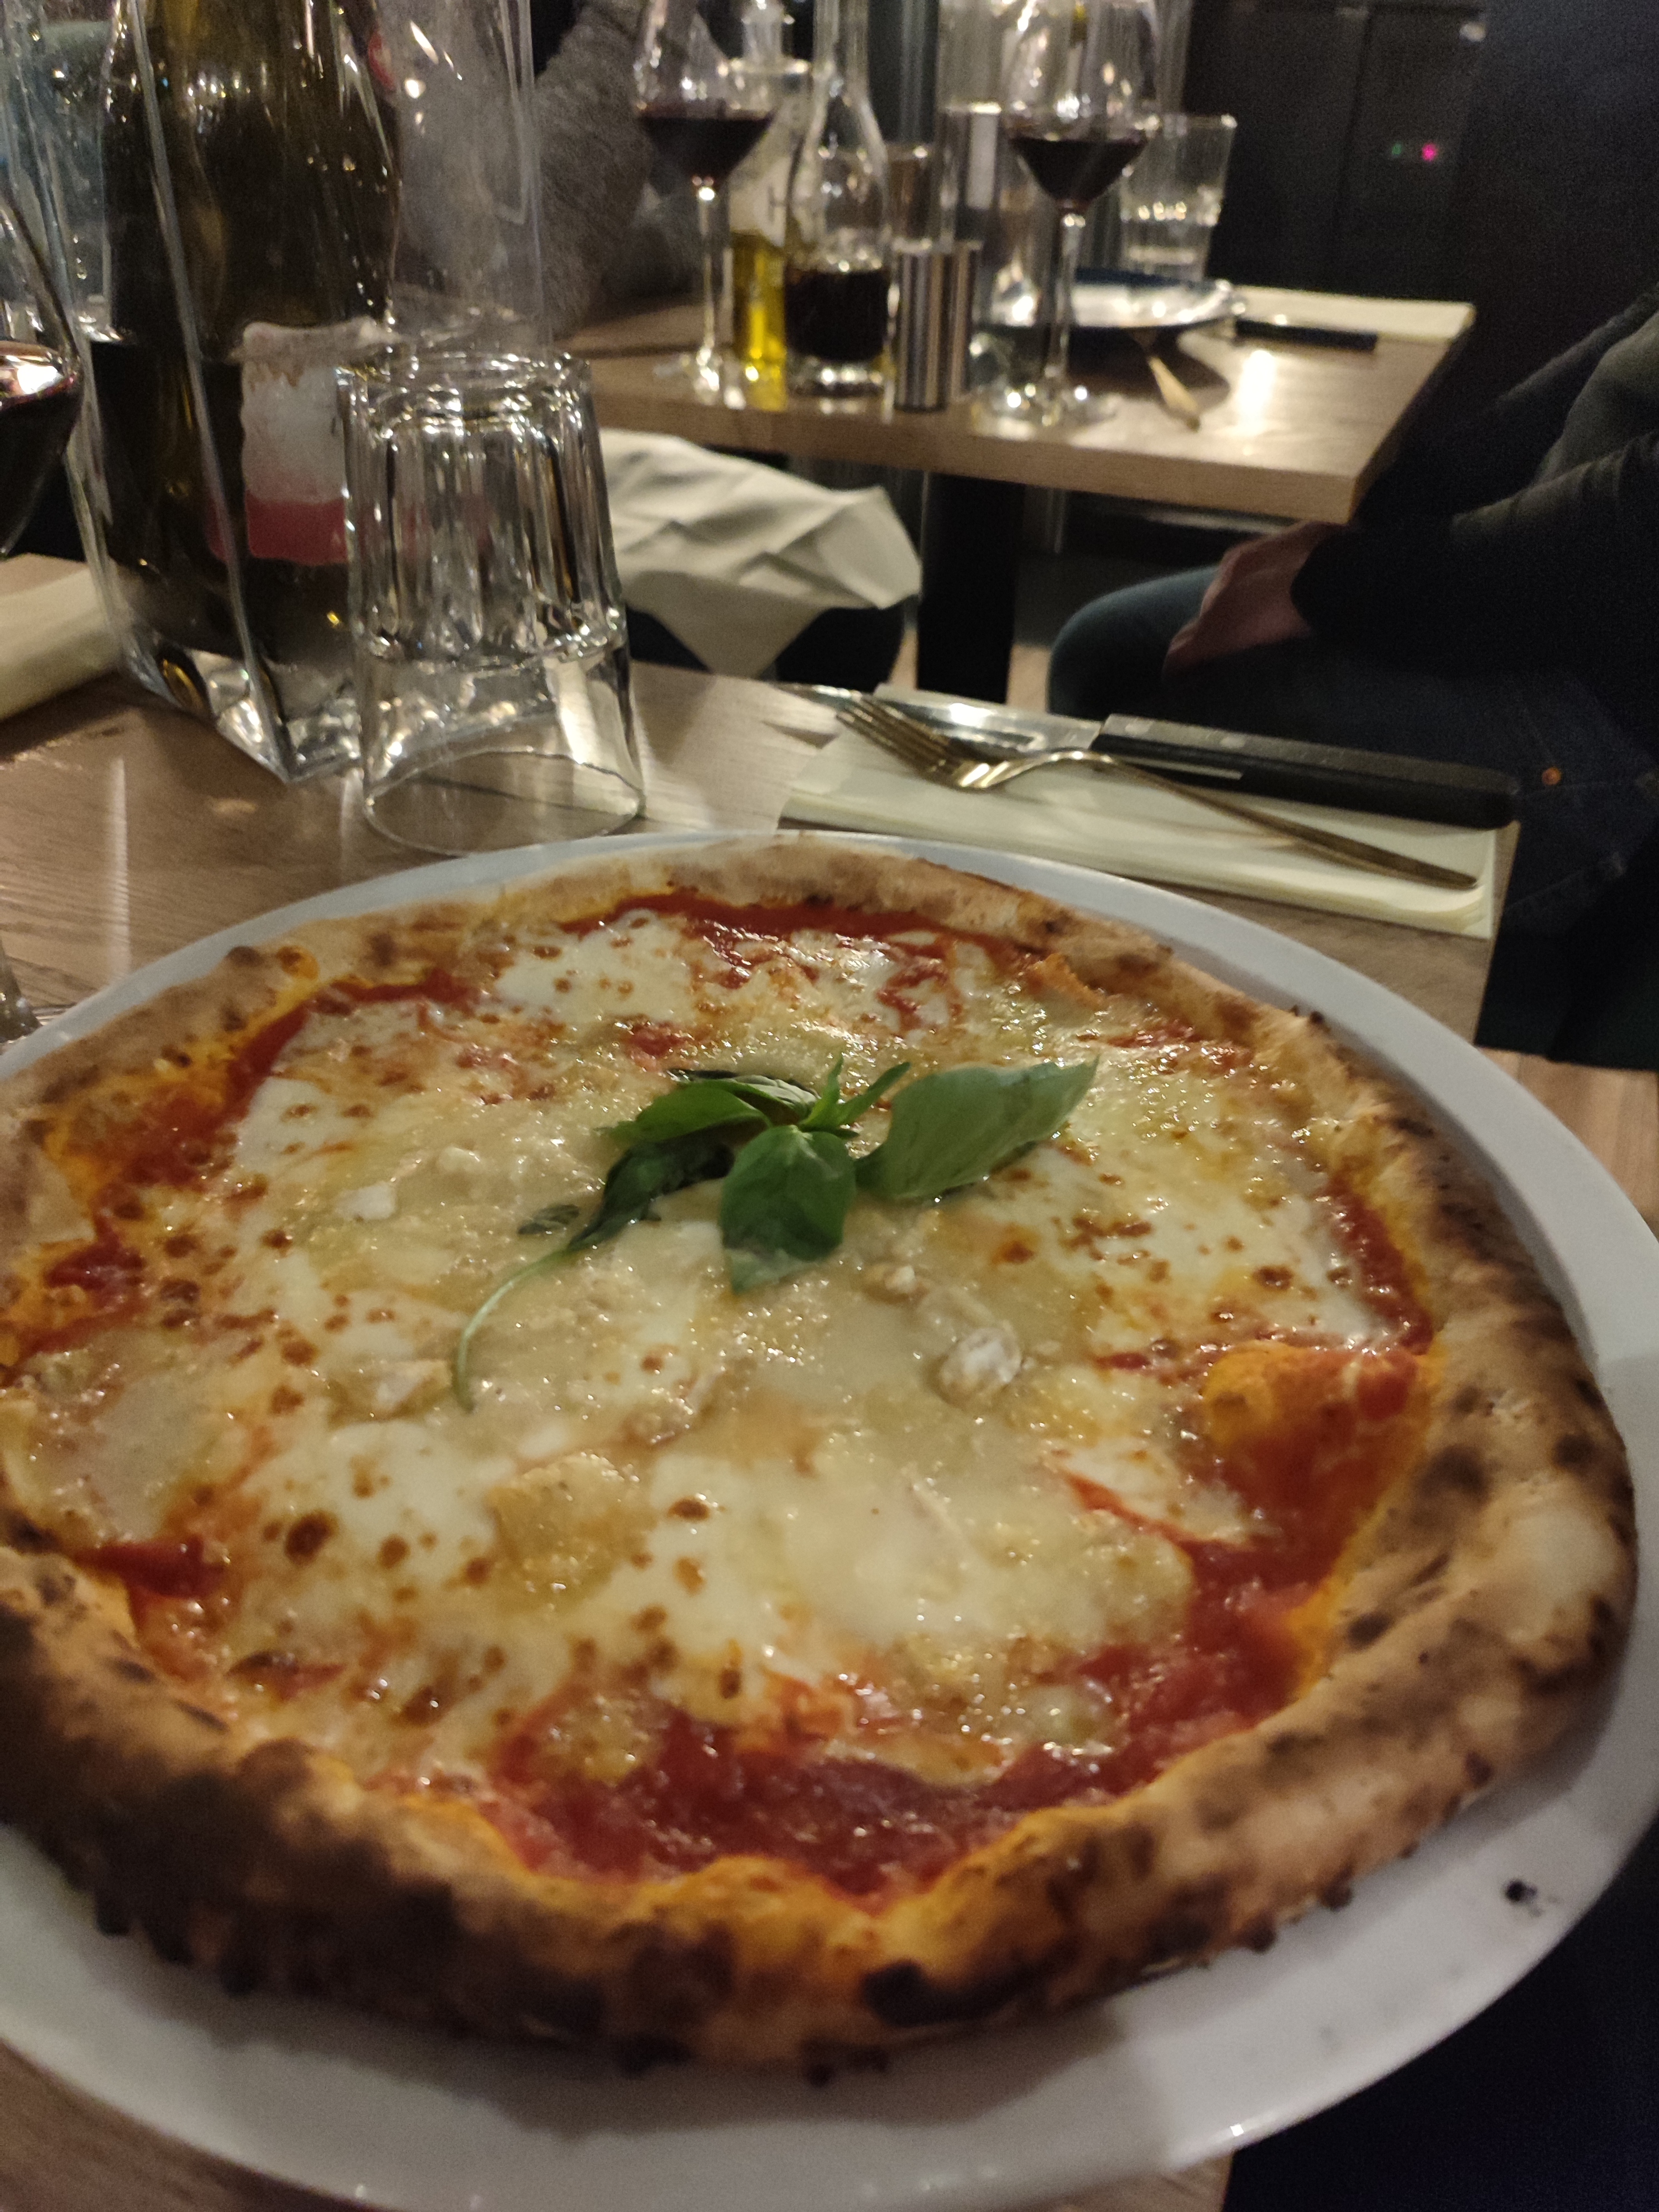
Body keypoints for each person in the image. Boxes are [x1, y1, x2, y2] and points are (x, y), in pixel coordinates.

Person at [1047, 286, 1659, 945]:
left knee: (1159, 752)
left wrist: (1321, 586)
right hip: (1532, 589)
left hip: (1601, 707)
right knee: (1102, 655)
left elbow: (1633, 531)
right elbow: (1585, 380)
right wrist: (1359, 527)